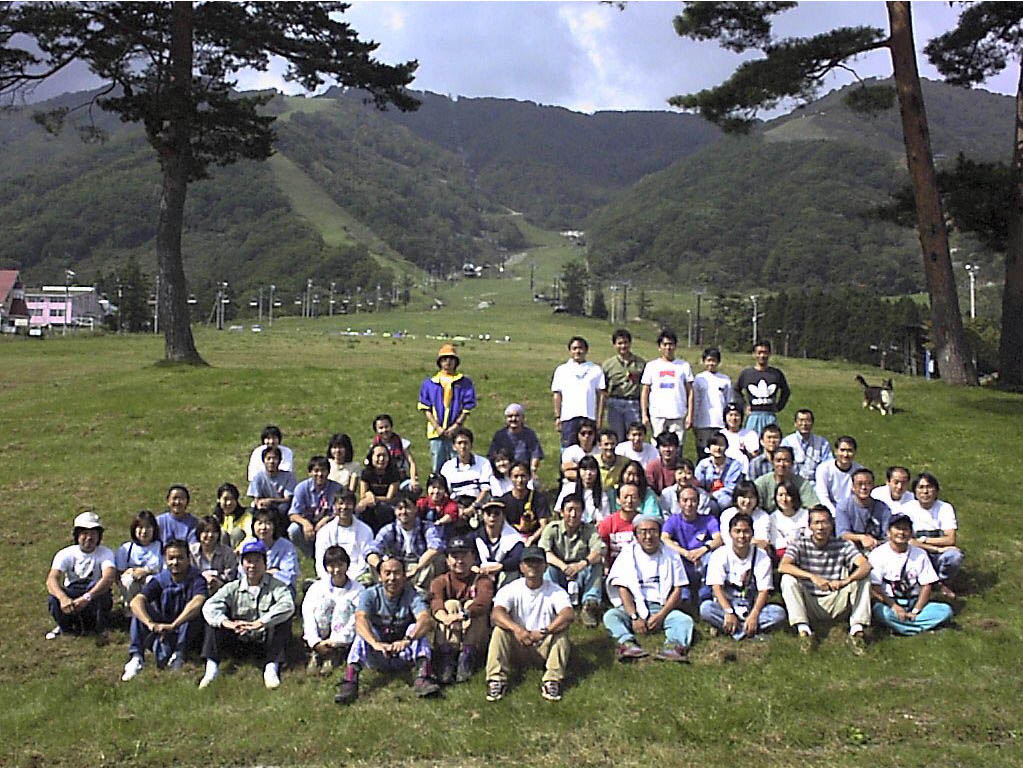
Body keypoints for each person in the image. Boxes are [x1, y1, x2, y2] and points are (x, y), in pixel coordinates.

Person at [335, 553, 441, 704]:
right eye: (387, 573)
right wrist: (375, 644)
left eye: (397, 573)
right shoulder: (369, 594)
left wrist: (407, 640)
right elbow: (360, 619)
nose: (392, 578)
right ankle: (350, 682)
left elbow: (425, 620)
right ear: (379, 576)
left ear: (404, 576)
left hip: (404, 653)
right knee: (362, 634)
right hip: (377, 653)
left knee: (417, 629)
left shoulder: (412, 595)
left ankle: (424, 677)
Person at [199, 540, 295, 689]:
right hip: (238, 639)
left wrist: (260, 623)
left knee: (282, 622)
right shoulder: (233, 587)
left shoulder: (277, 586)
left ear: (265, 564)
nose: (252, 566)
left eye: (257, 561)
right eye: (248, 561)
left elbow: (287, 605)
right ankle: (211, 670)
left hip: (264, 640)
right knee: (213, 622)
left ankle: (271, 668)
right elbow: (210, 606)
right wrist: (227, 623)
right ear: (242, 564)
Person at [485, 546, 574, 702]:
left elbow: (567, 615)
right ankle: (496, 680)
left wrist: (545, 631)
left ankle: (552, 681)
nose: (533, 566)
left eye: (537, 562)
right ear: (521, 567)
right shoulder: (511, 588)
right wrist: (517, 629)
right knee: (499, 631)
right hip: (517, 644)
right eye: (528, 562)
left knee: (561, 632)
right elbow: (497, 613)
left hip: (543, 646)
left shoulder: (556, 591)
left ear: (545, 567)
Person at [778, 507, 872, 654]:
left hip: (836, 599)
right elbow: (783, 566)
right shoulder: (798, 544)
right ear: (809, 526)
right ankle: (804, 632)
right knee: (787, 580)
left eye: (824, 522)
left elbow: (865, 565)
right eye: (816, 523)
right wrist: (812, 576)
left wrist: (846, 581)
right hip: (810, 601)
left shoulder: (843, 544)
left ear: (832, 525)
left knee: (863, 578)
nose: (821, 527)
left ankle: (857, 631)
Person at [603, 514, 693, 663]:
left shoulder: (671, 554)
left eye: (653, 531)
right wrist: (634, 617)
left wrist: (661, 615)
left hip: (661, 607)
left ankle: (673, 647)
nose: (648, 536)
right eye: (643, 532)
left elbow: (678, 589)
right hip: (634, 607)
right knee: (611, 616)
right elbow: (622, 588)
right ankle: (627, 643)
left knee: (684, 620)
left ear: (659, 533)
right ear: (636, 535)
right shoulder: (627, 554)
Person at [122, 538, 208, 680]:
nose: (175, 562)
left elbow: (198, 601)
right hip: (163, 628)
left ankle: (179, 655)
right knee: (139, 611)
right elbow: (136, 601)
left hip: (185, 629)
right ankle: (136, 657)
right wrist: (150, 624)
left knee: (192, 614)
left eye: (180, 558)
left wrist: (174, 625)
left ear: (188, 559)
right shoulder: (160, 579)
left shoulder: (197, 579)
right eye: (171, 558)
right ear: (165, 559)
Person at [700, 513, 787, 640]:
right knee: (706, 608)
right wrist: (728, 612)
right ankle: (748, 631)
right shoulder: (719, 554)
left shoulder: (762, 556)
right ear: (730, 533)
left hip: (750, 606)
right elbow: (716, 587)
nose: (742, 536)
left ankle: (734, 630)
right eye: (737, 531)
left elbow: (764, 590)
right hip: (727, 605)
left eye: (746, 531)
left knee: (778, 613)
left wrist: (754, 615)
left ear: (752, 533)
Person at [869, 514, 954, 635]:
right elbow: (875, 587)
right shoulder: (877, 554)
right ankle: (917, 628)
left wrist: (916, 610)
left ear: (911, 533)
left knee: (945, 610)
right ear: (888, 532)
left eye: (905, 529)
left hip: (913, 601)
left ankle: (903, 627)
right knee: (881, 612)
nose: (901, 533)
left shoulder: (920, 554)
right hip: (890, 602)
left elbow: (927, 585)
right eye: (897, 528)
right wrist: (894, 607)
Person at [429, 536, 495, 684]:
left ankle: (467, 658)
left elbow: (483, 602)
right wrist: (445, 617)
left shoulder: (482, 580)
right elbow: (436, 602)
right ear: (447, 560)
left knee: (471, 605)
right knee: (450, 604)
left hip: (474, 635)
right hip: (450, 632)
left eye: (464, 556)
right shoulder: (440, 581)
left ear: (473, 558)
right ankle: (448, 657)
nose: (459, 561)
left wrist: (463, 615)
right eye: (454, 556)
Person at [45, 511, 116, 641]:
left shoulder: (106, 553)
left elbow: (108, 577)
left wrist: (86, 598)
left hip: (93, 595)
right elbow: (52, 579)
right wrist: (63, 598)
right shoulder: (65, 553)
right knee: (53, 599)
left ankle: (98, 627)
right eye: (84, 533)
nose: (89, 538)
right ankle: (67, 628)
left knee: (101, 592)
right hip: (72, 593)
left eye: (93, 533)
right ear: (77, 535)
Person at [540, 493, 605, 627]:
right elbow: (544, 552)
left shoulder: (590, 529)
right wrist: (563, 566)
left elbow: (599, 551)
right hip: (560, 572)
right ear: (562, 512)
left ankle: (590, 605)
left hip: (581, 572)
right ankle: (551, 604)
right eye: (569, 510)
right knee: (548, 568)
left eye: (578, 510)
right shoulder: (552, 528)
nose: (573, 515)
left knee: (597, 565)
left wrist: (581, 564)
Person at [302, 545, 365, 674]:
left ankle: (333, 654)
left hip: (342, 637)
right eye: (331, 566)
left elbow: (356, 620)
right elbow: (307, 614)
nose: (336, 570)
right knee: (323, 604)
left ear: (347, 565)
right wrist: (314, 641)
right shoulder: (317, 588)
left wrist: (335, 641)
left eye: (340, 565)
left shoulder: (358, 590)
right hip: (321, 633)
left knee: (344, 605)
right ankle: (317, 652)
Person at [903, 472, 963, 598]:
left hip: (938, 554)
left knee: (954, 556)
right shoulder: (907, 509)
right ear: (915, 491)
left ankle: (942, 582)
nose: (925, 492)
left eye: (929, 487)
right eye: (921, 487)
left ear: (936, 490)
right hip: (918, 553)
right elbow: (908, 541)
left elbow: (950, 539)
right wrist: (936, 548)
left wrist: (924, 540)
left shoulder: (945, 508)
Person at [366, 497, 445, 593]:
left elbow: (436, 547)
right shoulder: (389, 529)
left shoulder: (427, 527)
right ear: (395, 511)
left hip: (419, 566)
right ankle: (386, 588)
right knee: (372, 562)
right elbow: (371, 550)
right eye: (400, 508)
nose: (403, 512)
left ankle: (421, 591)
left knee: (437, 559)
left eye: (407, 508)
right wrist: (381, 567)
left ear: (415, 509)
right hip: (397, 567)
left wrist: (418, 567)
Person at [419, 343, 477, 473]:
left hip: (456, 432)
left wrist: (455, 427)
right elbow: (426, 408)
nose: (448, 362)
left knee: (458, 465)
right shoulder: (430, 383)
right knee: (437, 466)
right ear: (439, 362)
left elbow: (467, 407)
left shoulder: (464, 382)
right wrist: (437, 427)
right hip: (436, 432)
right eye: (444, 359)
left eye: (451, 359)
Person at [661, 486, 723, 603]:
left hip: (702, 562)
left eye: (693, 500)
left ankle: (706, 590)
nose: (689, 504)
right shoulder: (673, 520)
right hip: (683, 563)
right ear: (679, 503)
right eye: (685, 500)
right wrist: (685, 553)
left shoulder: (709, 520)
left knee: (713, 555)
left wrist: (702, 550)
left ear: (698, 502)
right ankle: (683, 592)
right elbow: (664, 538)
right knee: (672, 554)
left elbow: (719, 539)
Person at [551, 335, 606, 450]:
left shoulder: (596, 369)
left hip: (589, 416)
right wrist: (557, 417)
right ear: (570, 351)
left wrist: (599, 418)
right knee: (568, 449)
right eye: (574, 348)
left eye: (580, 348)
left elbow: (601, 396)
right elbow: (557, 395)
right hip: (568, 418)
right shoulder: (561, 370)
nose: (578, 351)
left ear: (586, 350)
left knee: (589, 449)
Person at [640, 329, 694, 445]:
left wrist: (690, 415)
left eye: (671, 344)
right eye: (665, 344)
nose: (668, 348)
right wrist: (644, 414)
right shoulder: (651, 366)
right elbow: (645, 391)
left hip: (678, 413)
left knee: (677, 446)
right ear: (659, 347)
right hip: (657, 414)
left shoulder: (684, 366)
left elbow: (690, 392)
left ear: (675, 346)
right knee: (657, 446)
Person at [315, 490, 375, 585]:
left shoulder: (365, 530)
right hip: (331, 575)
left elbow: (365, 559)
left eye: (348, 504)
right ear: (334, 506)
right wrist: (330, 579)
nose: (344, 507)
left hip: (358, 576)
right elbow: (320, 561)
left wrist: (351, 579)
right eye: (340, 503)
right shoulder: (324, 532)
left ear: (354, 506)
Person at [288, 455, 343, 558]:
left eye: (323, 470)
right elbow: (293, 514)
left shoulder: (337, 488)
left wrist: (324, 521)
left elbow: (339, 511)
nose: (320, 474)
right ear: (310, 473)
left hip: (328, 523)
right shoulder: (301, 488)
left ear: (328, 472)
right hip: (308, 523)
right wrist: (305, 523)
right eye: (316, 471)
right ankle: (310, 554)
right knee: (293, 530)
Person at [734, 339, 790, 435]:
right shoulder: (747, 373)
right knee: (751, 440)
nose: (762, 356)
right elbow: (736, 390)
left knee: (771, 439)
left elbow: (786, 391)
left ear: (769, 354)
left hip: (769, 415)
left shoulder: (776, 373)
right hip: (753, 415)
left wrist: (779, 406)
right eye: (759, 353)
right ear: (754, 354)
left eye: (765, 352)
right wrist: (743, 406)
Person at [601, 328, 645, 446]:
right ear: (614, 345)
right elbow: (603, 389)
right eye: (619, 343)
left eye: (625, 342)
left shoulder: (640, 363)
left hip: (633, 403)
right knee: (616, 437)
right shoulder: (608, 365)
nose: (623, 346)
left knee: (634, 436)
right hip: (615, 403)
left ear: (630, 343)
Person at [471, 500, 525, 589]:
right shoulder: (475, 536)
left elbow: (517, 559)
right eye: (488, 513)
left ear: (503, 516)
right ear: (483, 516)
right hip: (480, 573)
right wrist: (474, 567)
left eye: (496, 513)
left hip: (504, 575)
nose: (492, 516)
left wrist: (500, 567)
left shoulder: (515, 538)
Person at [835, 468, 892, 553]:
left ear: (873, 486)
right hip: (851, 549)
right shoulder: (843, 507)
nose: (864, 487)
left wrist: (875, 543)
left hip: (877, 548)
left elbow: (887, 535)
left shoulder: (883, 508)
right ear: (853, 487)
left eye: (868, 484)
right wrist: (862, 538)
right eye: (859, 484)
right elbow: (842, 534)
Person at [115, 510, 163, 607]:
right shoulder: (126, 548)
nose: (144, 531)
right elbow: (119, 573)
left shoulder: (161, 546)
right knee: (128, 580)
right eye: (140, 527)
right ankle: (130, 609)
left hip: (151, 580)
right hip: (131, 582)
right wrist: (133, 572)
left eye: (148, 527)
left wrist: (145, 572)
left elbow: (164, 570)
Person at [691, 347, 732, 461]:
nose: (711, 363)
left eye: (714, 360)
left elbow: (728, 401)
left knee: (719, 451)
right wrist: (694, 420)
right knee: (703, 452)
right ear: (704, 361)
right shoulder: (699, 379)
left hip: (720, 423)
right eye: (708, 360)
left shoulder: (725, 380)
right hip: (702, 423)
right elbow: (696, 400)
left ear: (718, 362)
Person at [244, 508, 299, 591]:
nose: (263, 527)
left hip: (280, 588)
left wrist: (260, 573)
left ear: (274, 526)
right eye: (260, 523)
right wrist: (271, 572)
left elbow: (290, 576)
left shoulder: (286, 546)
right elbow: (242, 573)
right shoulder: (249, 545)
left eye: (268, 523)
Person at [488, 403, 544, 483]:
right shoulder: (500, 435)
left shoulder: (530, 434)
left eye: (517, 416)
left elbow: (536, 454)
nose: (513, 419)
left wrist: (533, 470)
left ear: (523, 418)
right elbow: (492, 456)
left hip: (523, 472)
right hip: (504, 472)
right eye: (510, 416)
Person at [440, 427, 493, 510]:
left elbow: (485, 490)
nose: (463, 446)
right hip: (455, 506)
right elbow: (444, 492)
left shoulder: (483, 463)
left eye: (466, 443)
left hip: (477, 505)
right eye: (459, 443)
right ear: (454, 446)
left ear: (471, 445)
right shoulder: (447, 467)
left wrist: (472, 508)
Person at [755, 446, 820, 513]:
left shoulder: (802, 483)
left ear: (792, 464)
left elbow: (813, 507)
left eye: (786, 461)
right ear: (772, 462)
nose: (782, 464)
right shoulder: (761, 483)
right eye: (778, 461)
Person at [500, 461, 552, 544]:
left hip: (534, 540)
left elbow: (544, 524)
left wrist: (531, 539)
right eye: (516, 476)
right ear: (510, 477)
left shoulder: (539, 498)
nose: (520, 480)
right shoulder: (504, 500)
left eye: (523, 476)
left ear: (529, 477)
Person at [246, 445, 297, 529]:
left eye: (275, 458)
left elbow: (288, 499)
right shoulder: (258, 477)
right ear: (264, 461)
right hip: (264, 508)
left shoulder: (288, 476)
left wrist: (270, 500)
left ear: (280, 461)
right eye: (268, 458)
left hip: (281, 509)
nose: (271, 461)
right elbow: (256, 498)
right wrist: (260, 504)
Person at [356, 443, 400, 533]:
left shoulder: (394, 473)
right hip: (369, 503)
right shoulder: (366, 473)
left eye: (384, 456)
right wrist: (369, 496)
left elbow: (389, 498)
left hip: (388, 505)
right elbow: (363, 496)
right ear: (371, 457)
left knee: (382, 509)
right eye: (378, 456)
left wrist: (373, 498)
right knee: (360, 508)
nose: (381, 459)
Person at [371, 414, 421, 493]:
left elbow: (411, 462)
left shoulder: (402, 443)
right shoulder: (374, 447)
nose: (384, 430)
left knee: (414, 488)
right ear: (376, 430)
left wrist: (413, 480)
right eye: (381, 428)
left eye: (386, 426)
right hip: (383, 481)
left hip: (401, 478)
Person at [781, 409, 833, 484]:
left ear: (812, 423)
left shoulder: (822, 443)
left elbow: (828, 465)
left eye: (808, 420)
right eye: (801, 420)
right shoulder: (787, 442)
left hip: (815, 484)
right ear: (795, 423)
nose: (804, 424)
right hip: (792, 484)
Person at [693, 433, 744, 511]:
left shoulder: (735, 465)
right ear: (709, 447)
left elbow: (732, 488)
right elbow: (698, 484)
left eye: (721, 445)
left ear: (726, 447)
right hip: (706, 496)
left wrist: (713, 495)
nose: (718, 448)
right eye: (714, 444)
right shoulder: (703, 464)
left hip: (726, 496)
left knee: (725, 502)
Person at [554, 455, 610, 525]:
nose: (588, 473)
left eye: (592, 469)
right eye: (584, 469)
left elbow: (603, 519)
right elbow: (558, 510)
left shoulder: (602, 494)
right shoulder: (569, 488)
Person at [815, 436, 864, 513]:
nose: (846, 454)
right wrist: (835, 514)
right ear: (836, 451)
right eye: (842, 450)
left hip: (851, 510)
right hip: (830, 510)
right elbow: (822, 496)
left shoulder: (860, 471)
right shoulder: (824, 469)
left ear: (855, 452)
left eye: (850, 451)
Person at [719, 481, 772, 553]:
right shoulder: (727, 514)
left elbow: (763, 542)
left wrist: (742, 541)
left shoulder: (763, 516)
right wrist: (752, 541)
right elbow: (727, 540)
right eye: (744, 497)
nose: (747, 501)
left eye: (751, 497)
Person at [190, 515, 238, 594]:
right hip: (196, 588)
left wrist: (216, 579)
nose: (210, 535)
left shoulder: (227, 552)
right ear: (199, 533)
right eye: (206, 531)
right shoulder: (191, 551)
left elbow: (231, 576)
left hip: (222, 589)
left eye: (214, 532)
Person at [599, 482, 642, 566]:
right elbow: (602, 550)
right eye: (625, 497)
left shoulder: (645, 522)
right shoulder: (608, 523)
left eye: (633, 497)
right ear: (618, 500)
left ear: (639, 500)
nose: (629, 501)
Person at [768, 480, 809, 560]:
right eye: (780, 495)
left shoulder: (806, 515)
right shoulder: (773, 518)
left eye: (788, 495)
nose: (784, 499)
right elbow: (776, 544)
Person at [720, 403, 758, 476]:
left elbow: (754, 455)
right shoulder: (720, 434)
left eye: (736, 415)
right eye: (730, 415)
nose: (733, 418)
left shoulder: (750, 434)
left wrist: (746, 452)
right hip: (723, 470)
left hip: (744, 471)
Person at [559, 418, 599, 483]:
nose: (587, 436)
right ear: (578, 435)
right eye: (583, 433)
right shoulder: (570, 451)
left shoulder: (600, 451)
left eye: (590, 433)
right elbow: (567, 473)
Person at [644, 431, 682, 496]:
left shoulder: (683, 466)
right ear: (658, 448)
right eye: (664, 446)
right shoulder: (652, 467)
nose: (667, 450)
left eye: (671, 446)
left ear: (677, 448)